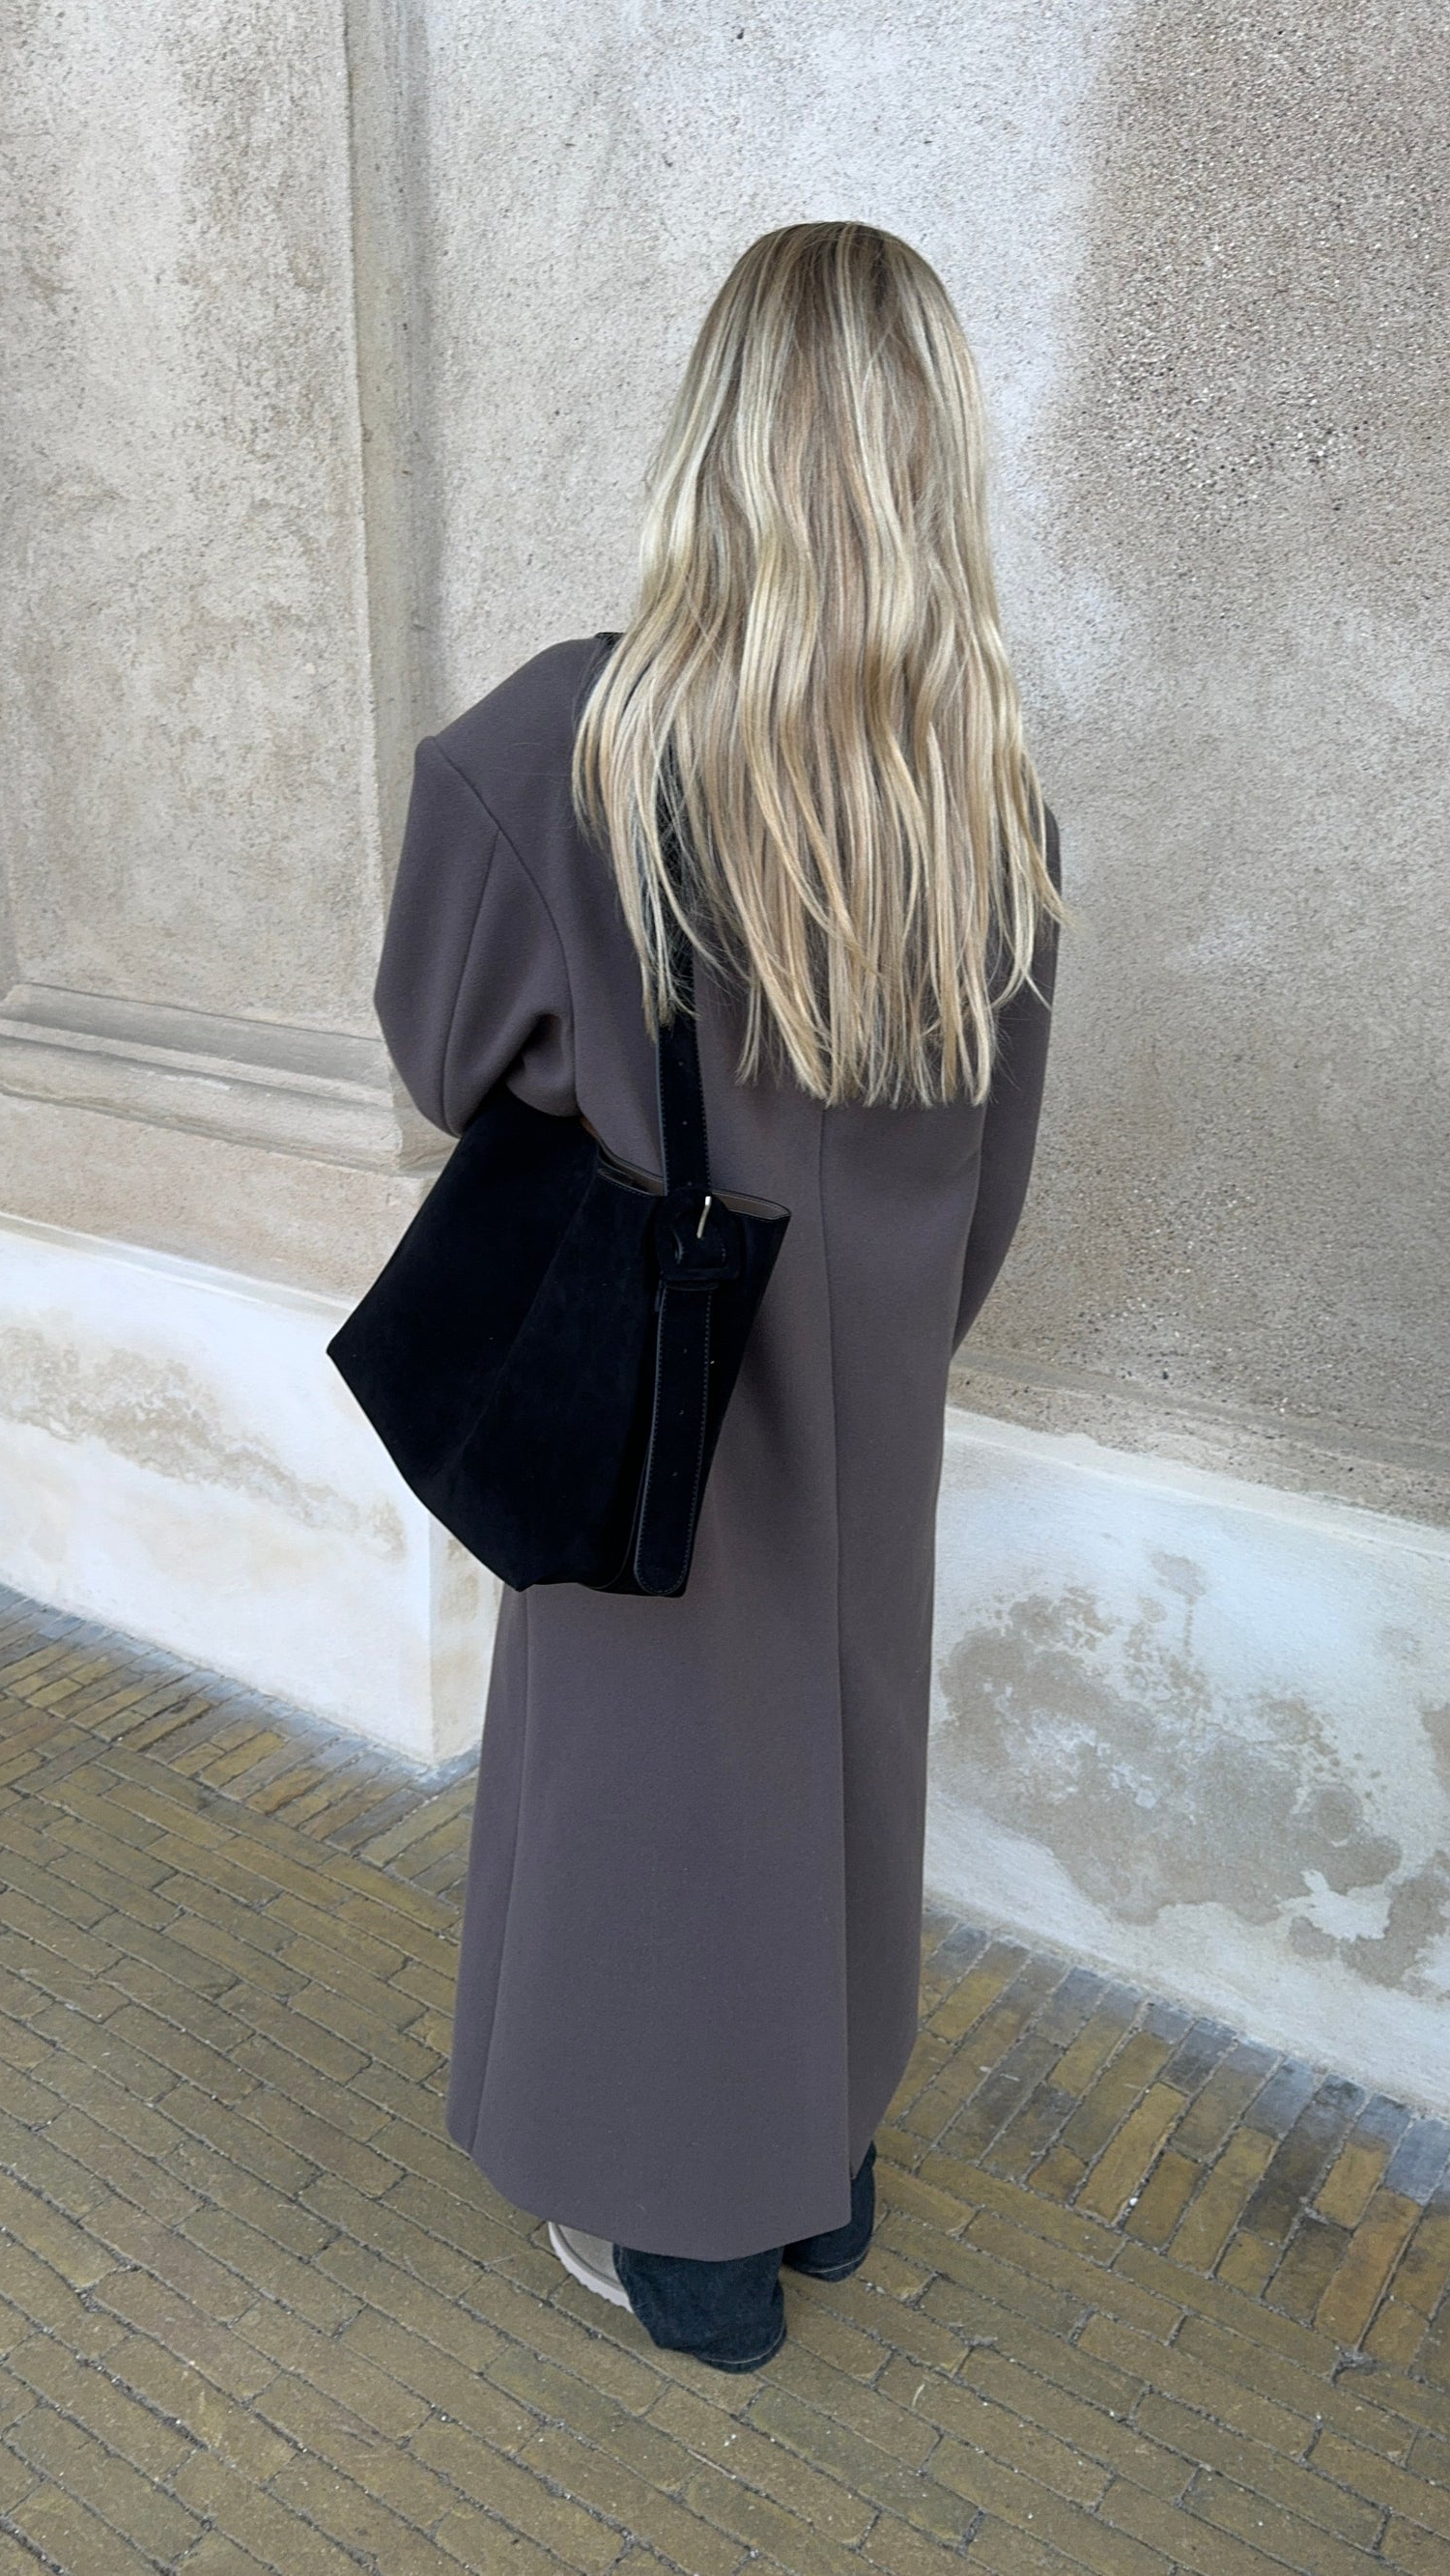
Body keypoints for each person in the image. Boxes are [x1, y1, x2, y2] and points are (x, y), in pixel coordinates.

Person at [373, 220, 1067, 2372]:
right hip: (870, 1394)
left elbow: (438, 1048)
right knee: (837, 1753)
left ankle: (689, 2244)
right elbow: (994, 1165)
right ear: (935, 455)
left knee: (650, 1784)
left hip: (648, 1375)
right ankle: (818, 2172)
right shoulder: (979, 783)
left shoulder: (568, 743)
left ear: (718, 435)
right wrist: (881, 1346)